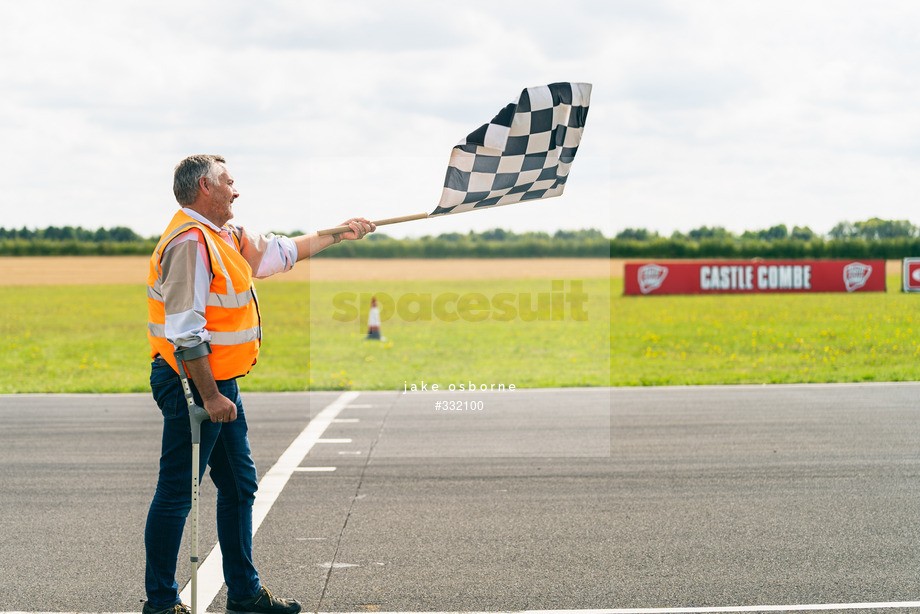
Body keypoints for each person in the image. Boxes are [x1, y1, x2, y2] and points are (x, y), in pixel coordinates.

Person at [143, 154, 375, 614]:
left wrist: (340, 232)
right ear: (205, 189)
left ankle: (245, 595)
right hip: (193, 384)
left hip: (219, 383)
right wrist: (209, 395)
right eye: (229, 182)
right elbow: (185, 331)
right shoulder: (190, 242)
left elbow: (280, 253)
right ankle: (161, 605)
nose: (236, 190)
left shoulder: (225, 235)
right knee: (177, 492)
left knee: (239, 485)